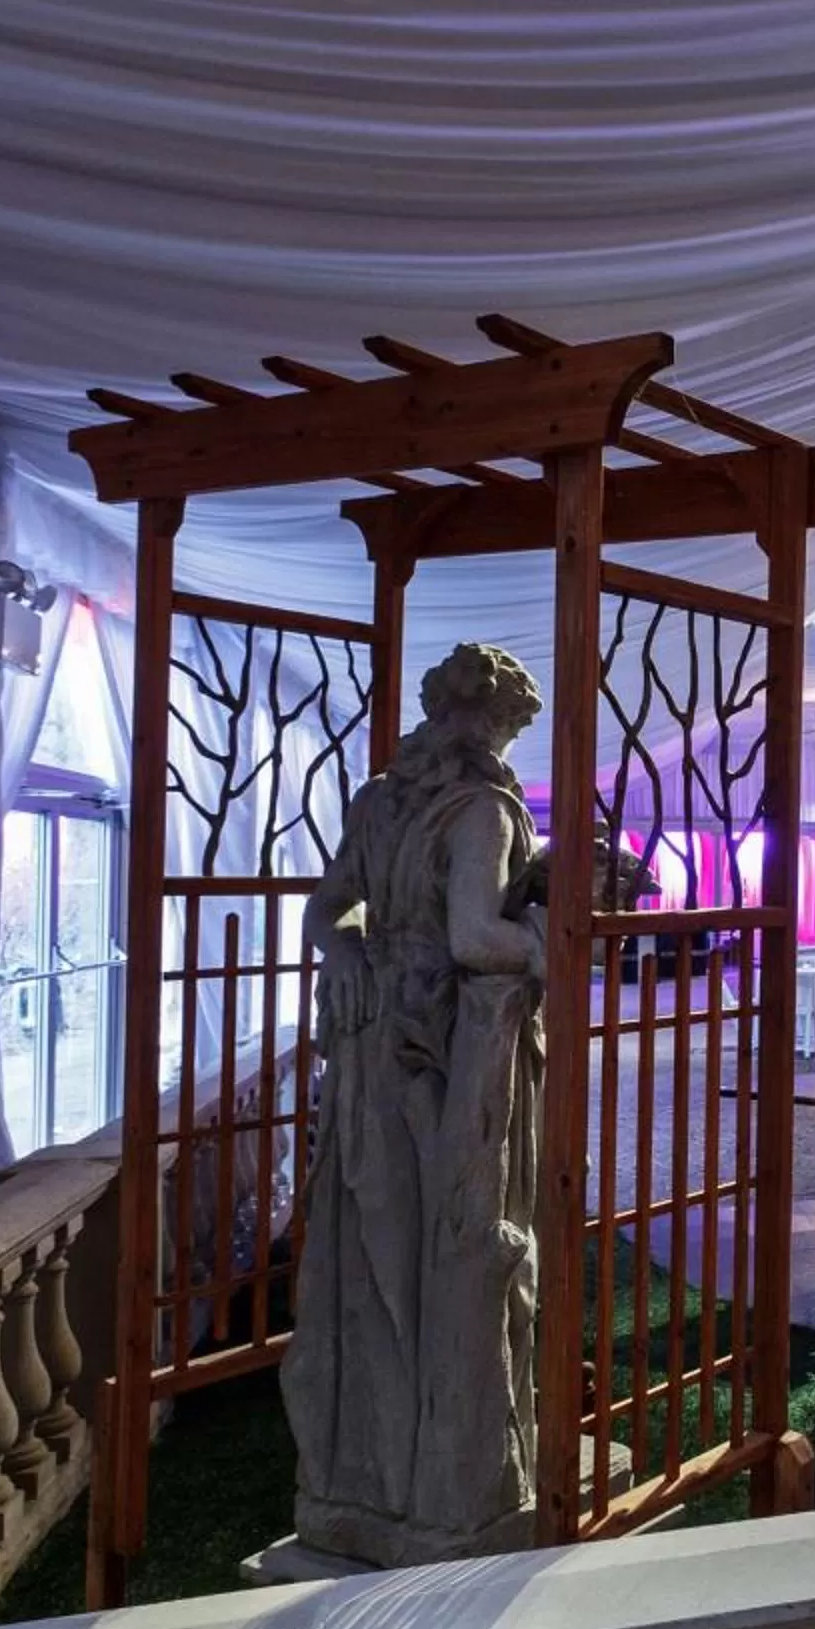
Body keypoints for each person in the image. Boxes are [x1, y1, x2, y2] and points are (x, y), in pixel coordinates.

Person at [281, 642, 547, 1567]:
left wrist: (347, 952)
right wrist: (558, 929)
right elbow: (478, 939)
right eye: (510, 727)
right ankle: (439, 1477)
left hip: (363, 1049)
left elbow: (326, 911)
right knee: (445, 1252)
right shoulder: (483, 809)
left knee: (366, 1248)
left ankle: (359, 1475)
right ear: (499, 724)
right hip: (439, 1060)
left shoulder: (379, 800)